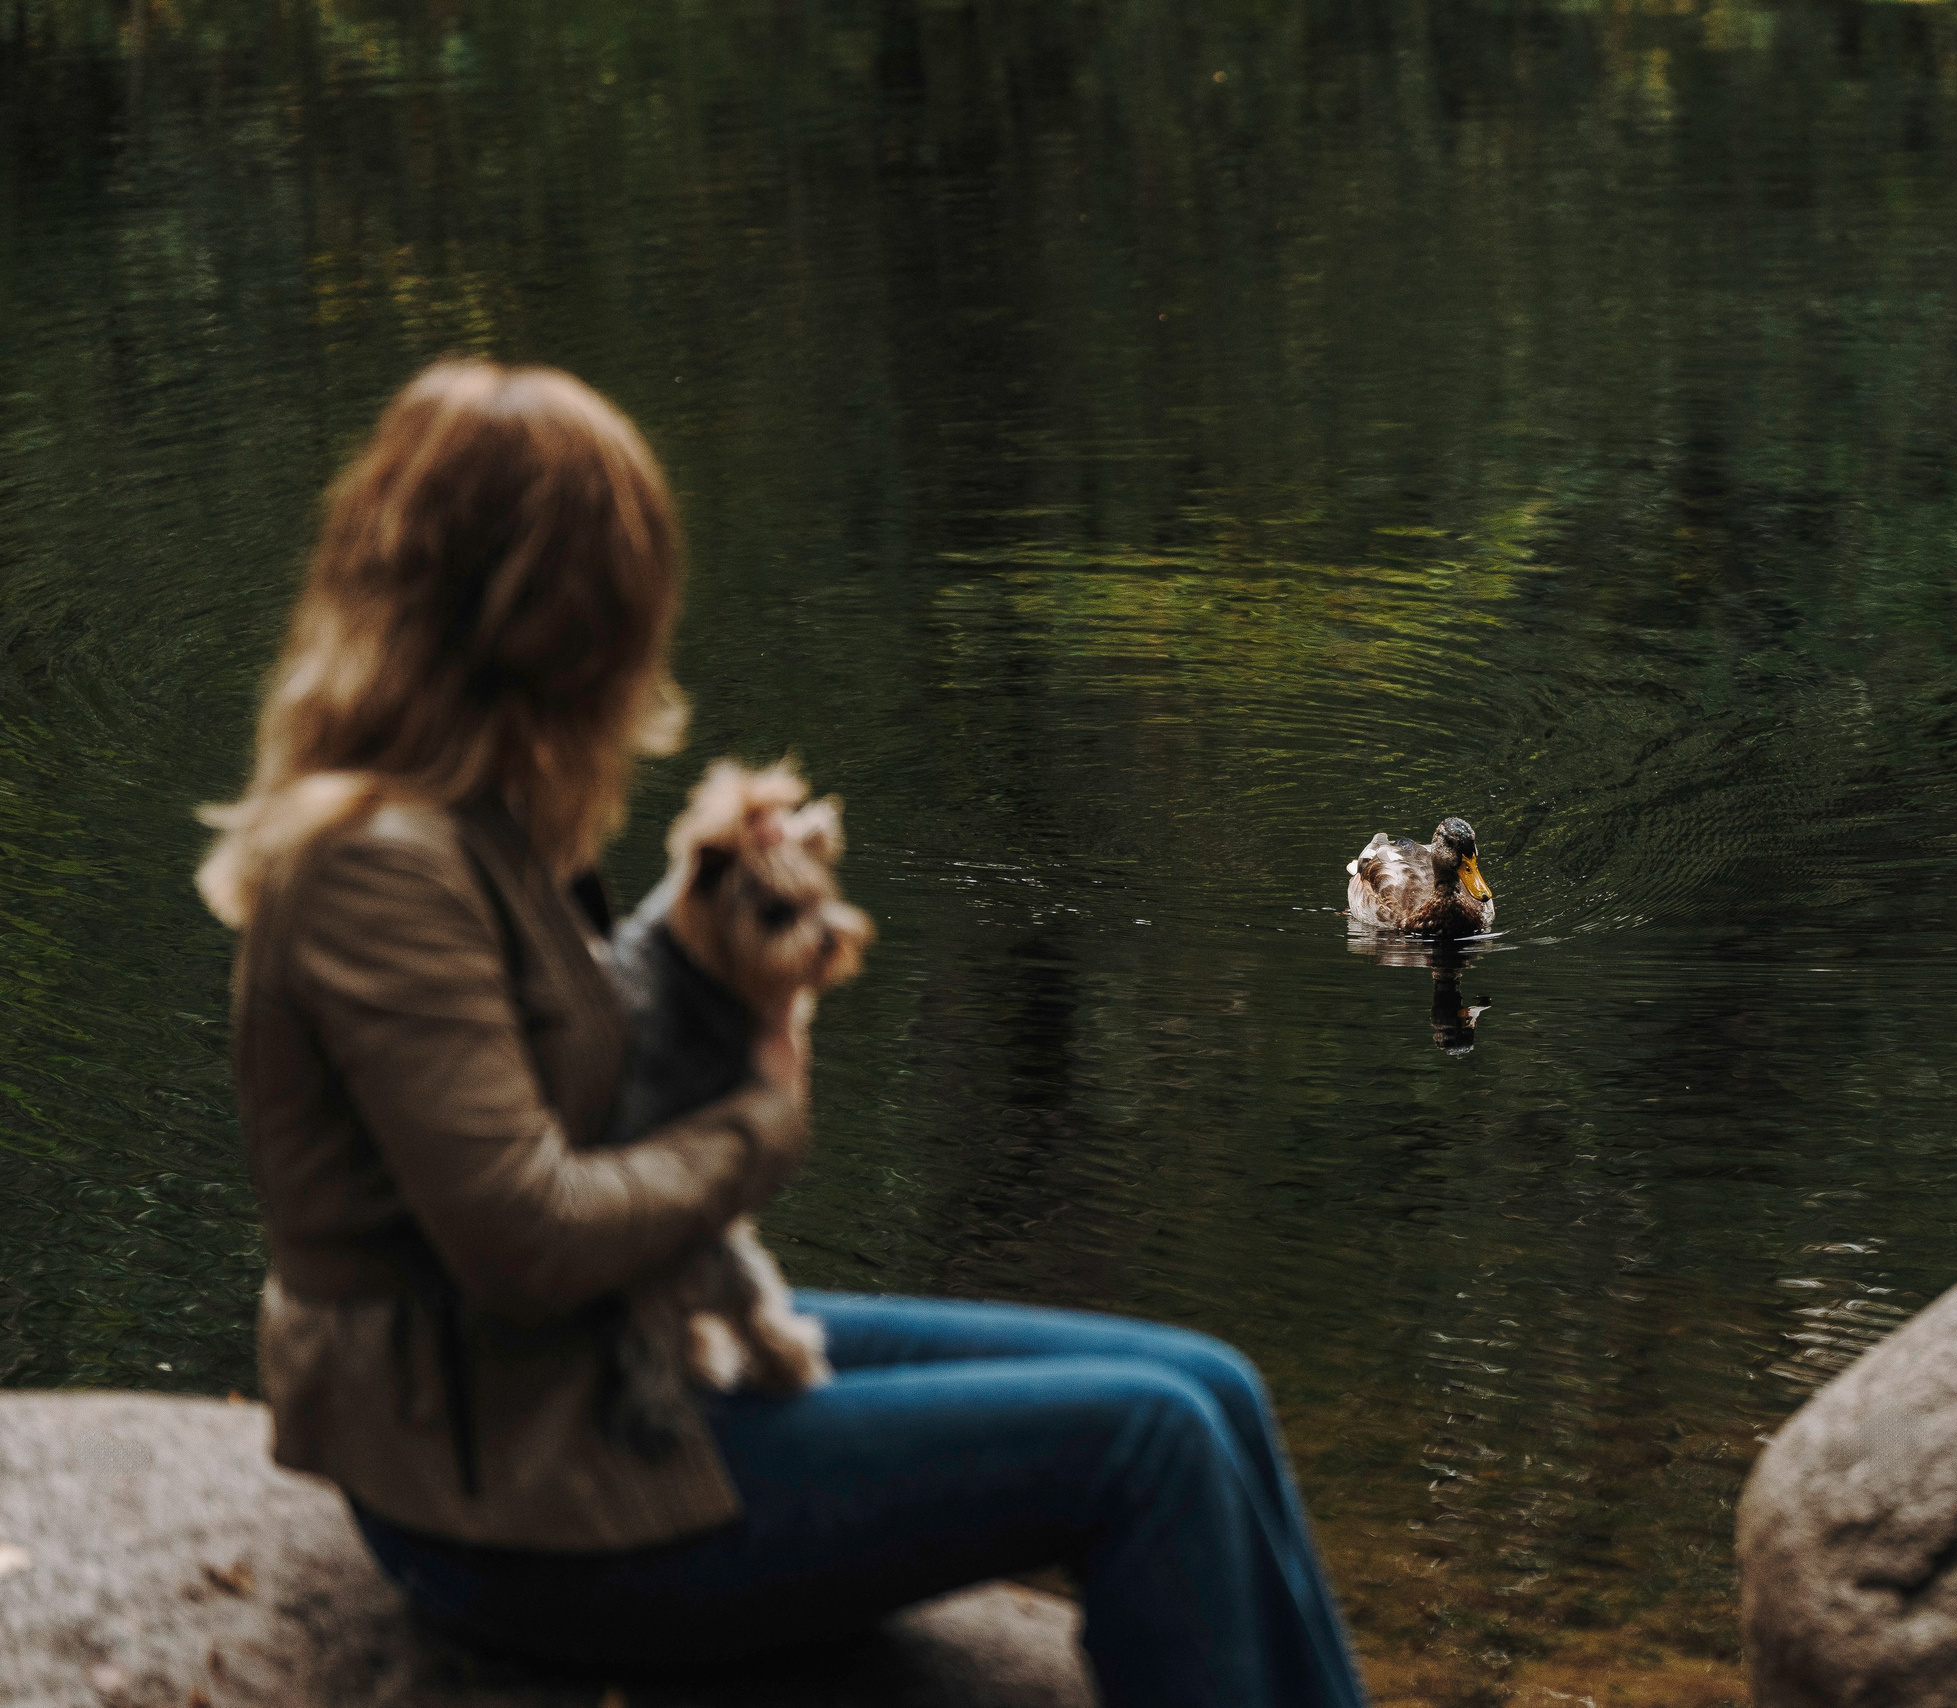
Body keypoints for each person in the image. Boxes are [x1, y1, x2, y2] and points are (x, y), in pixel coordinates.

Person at [198, 358, 1369, 1708]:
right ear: (557, 623)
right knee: (1149, 1448)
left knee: (1212, 1386)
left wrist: (702, 940)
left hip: (599, 1375)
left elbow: (566, 1066)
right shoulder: (379, 866)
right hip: (523, 1493)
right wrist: (761, 1117)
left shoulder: (484, 821)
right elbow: (524, 1236)